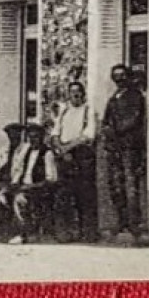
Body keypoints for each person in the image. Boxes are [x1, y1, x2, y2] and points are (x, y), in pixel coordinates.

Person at [100, 64, 147, 240]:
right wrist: (106, 130)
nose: (118, 80)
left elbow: (134, 119)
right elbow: (106, 119)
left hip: (129, 146)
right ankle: (121, 221)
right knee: (116, 185)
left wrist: (117, 130)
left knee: (131, 185)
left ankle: (135, 224)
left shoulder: (135, 96)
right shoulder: (113, 98)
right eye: (115, 77)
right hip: (114, 147)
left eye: (121, 76)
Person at [0, 122, 59, 245]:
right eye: (30, 137)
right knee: (2, 196)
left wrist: (30, 187)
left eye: (36, 137)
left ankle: (26, 233)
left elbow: (51, 179)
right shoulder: (26, 151)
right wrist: (14, 184)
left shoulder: (47, 153)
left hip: (40, 188)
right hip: (24, 186)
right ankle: (5, 232)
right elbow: (19, 170)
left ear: (42, 137)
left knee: (20, 199)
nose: (33, 140)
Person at [51, 80, 98, 241]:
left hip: (82, 156)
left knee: (85, 195)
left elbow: (88, 135)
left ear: (83, 94)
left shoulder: (88, 111)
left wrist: (68, 148)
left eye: (78, 92)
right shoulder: (64, 112)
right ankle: (68, 232)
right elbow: (55, 133)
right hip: (65, 157)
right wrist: (60, 149)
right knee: (64, 195)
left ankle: (88, 232)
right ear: (68, 94)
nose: (75, 95)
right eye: (72, 92)